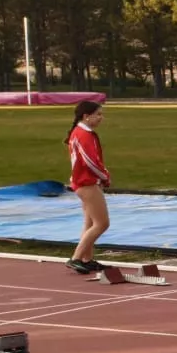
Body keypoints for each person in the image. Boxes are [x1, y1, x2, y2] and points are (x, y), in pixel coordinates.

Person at [65, 100, 111, 275]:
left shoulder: (81, 132)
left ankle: (86, 259)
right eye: (98, 114)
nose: (101, 118)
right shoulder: (83, 134)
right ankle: (76, 258)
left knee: (90, 222)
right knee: (102, 223)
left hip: (83, 181)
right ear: (86, 116)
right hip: (86, 183)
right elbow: (90, 161)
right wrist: (104, 176)